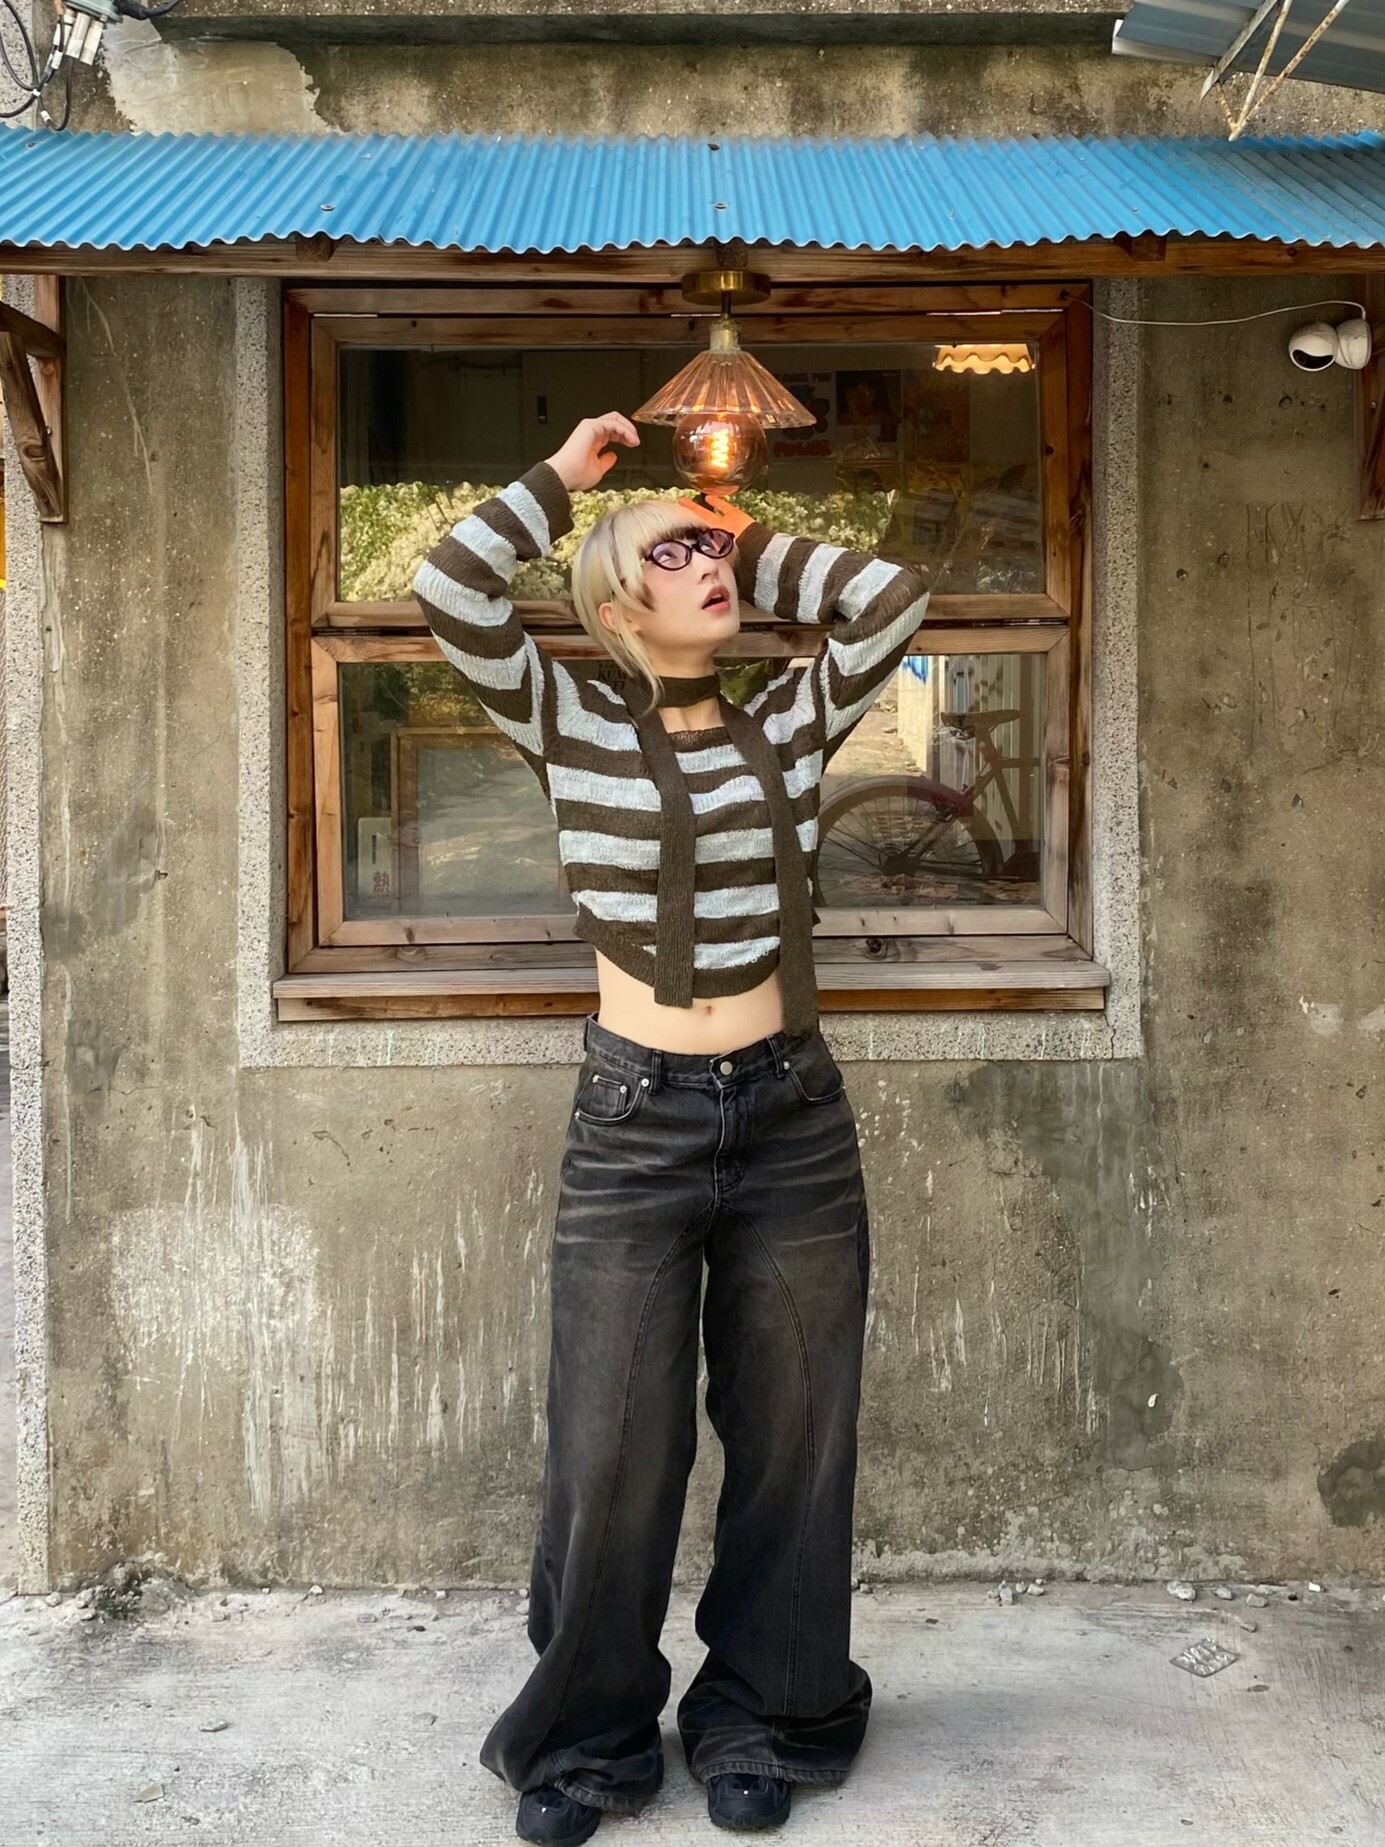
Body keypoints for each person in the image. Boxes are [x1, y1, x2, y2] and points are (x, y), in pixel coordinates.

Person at [411, 414, 930, 1842]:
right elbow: (449, 587)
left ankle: (772, 1713)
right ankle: (587, 1741)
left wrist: (741, 525)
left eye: (714, 552)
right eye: (673, 555)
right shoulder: (567, 721)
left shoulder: (790, 719)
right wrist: (572, 483)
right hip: (633, 1124)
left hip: (793, 1119)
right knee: (613, 1445)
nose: (708, 566)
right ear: (616, 604)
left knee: (795, 1433)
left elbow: (889, 601)